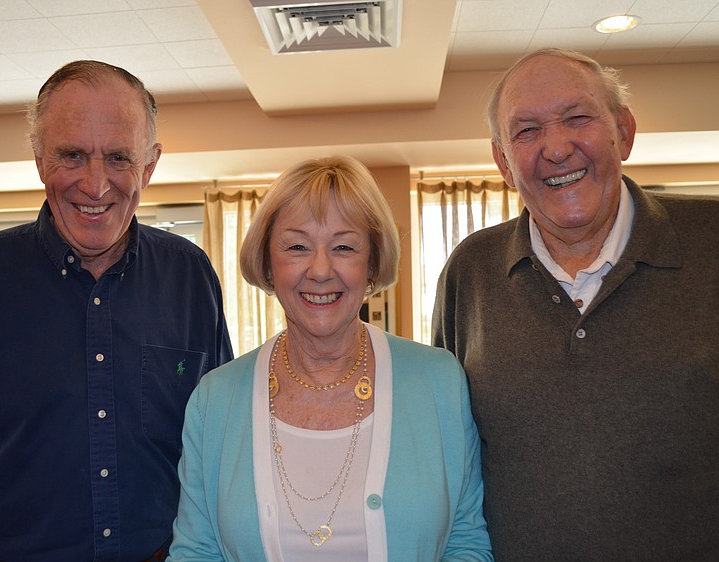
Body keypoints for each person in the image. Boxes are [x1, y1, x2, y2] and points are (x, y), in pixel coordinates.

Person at [0, 60, 233, 561]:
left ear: (148, 166)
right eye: (72, 155)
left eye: (117, 158)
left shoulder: (190, 277)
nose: (95, 184)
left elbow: (220, 451)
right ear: (40, 159)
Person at [432, 48, 719, 561]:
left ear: (624, 132)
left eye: (577, 118)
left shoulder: (711, 241)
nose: (557, 148)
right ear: (502, 162)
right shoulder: (470, 271)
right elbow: (450, 455)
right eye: (526, 131)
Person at [167, 155, 492, 561]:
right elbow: (196, 552)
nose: (320, 270)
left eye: (343, 246)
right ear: (268, 263)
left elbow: (466, 542)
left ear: (372, 262)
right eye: (297, 246)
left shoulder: (439, 381)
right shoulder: (215, 400)